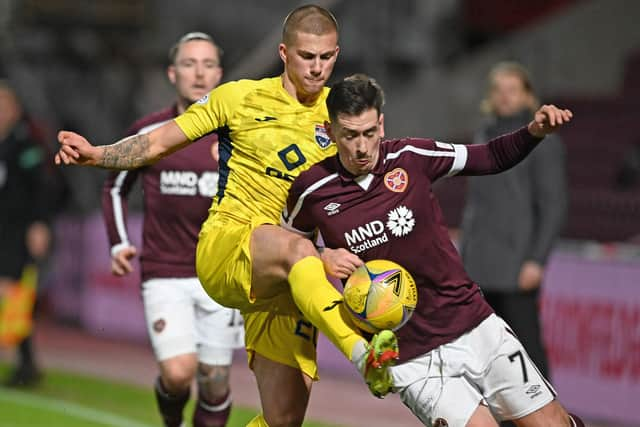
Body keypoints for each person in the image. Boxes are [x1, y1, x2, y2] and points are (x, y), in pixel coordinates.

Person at [55, 6, 397, 426]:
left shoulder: (340, 116)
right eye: (307, 56)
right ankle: (364, 353)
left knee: (283, 419)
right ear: (284, 52)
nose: (317, 68)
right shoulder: (239, 97)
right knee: (295, 245)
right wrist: (98, 155)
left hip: (292, 277)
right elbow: (158, 142)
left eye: (326, 57)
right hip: (228, 247)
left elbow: (357, 198)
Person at [282, 74, 584, 427]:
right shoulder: (311, 191)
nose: (361, 147)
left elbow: (487, 157)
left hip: (472, 325)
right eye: (349, 135)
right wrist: (321, 255)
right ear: (330, 131)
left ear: (381, 124)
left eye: (368, 132)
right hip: (409, 359)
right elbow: (288, 246)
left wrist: (532, 131)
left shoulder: (412, 157)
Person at [101, 33, 243, 427]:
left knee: (215, 385)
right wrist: (118, 244)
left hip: (221, 275)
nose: (199, 73)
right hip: (165, 273)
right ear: (171, 73)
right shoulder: (151, 131)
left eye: (208, 64)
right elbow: (114, 186)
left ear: (220, 74)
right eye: (189, 64)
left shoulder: (238, 135)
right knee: (179, 374)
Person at [460, 62, 567, 380]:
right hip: (478, 263)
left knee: (527, 352)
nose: (504, 97)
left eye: (512, 90)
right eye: (498, 90)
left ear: (528, 96)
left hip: (516, 264)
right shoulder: (481, 135)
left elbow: (554, 204)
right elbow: (475, 203)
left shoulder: (543, 141)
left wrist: (536, 259)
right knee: (485, 355)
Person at [0, 80, 53, 387]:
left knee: (12, 294)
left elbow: (43, 188)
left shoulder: (26, 146)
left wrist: (39, 223)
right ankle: (27, 363)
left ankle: (26, 363)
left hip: (17, 230)